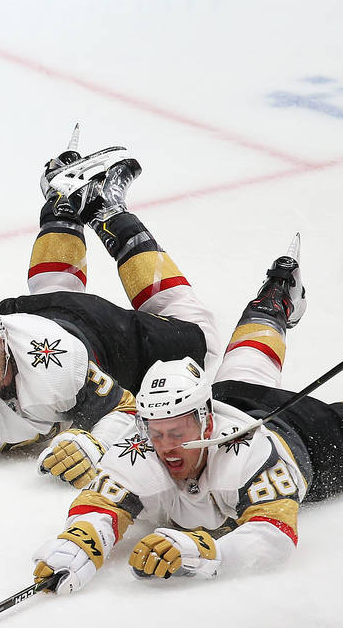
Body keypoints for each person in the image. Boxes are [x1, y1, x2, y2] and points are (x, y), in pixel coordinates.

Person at [0, 135, 221, 515]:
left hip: (95, 329)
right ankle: (61, 203)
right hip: (34, 312)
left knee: (202, 337)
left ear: (1, 335)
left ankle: (107, 210)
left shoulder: (57, 364)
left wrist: (95, 442)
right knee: (51, 289)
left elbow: (124, 410)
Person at [32, 238, 343, 589]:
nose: (165, 446)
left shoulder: (253, 456)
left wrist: (207, 553)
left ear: (206, 422)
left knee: (253, 373)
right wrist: (77, 546)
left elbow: (274, 536)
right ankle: (274, 301)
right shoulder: (140, 447)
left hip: (297, 430)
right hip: (230, 397)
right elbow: (100, 507)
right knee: (248, 364)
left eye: (177, 433)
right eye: (156, 431)